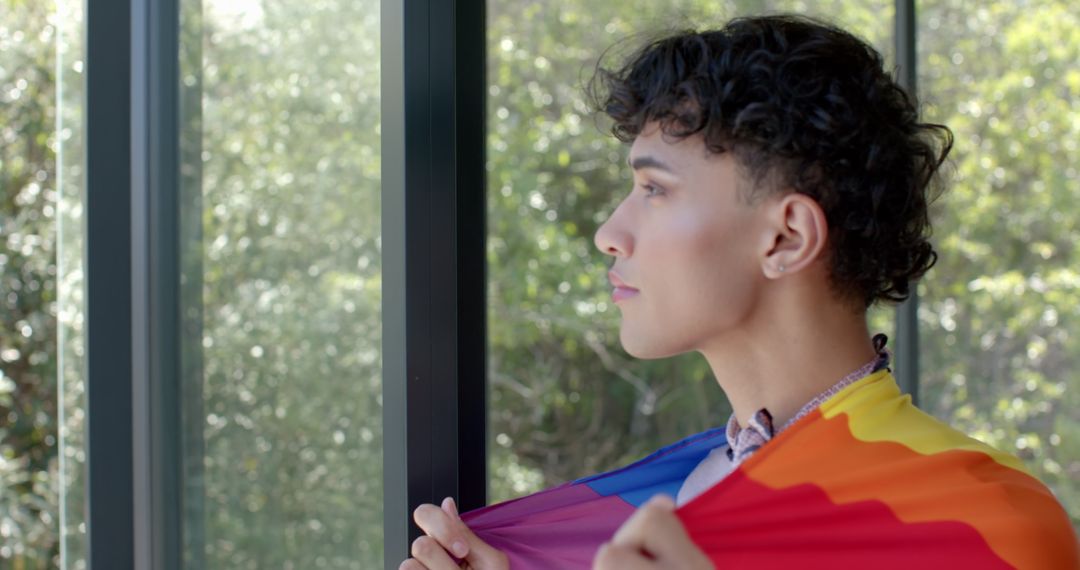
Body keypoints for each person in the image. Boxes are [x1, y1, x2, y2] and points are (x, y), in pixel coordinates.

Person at [400, 14, 1078, 570]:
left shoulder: (988, 525)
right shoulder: (663, 512)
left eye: (654, 190)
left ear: (786, 237)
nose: (610, 232)